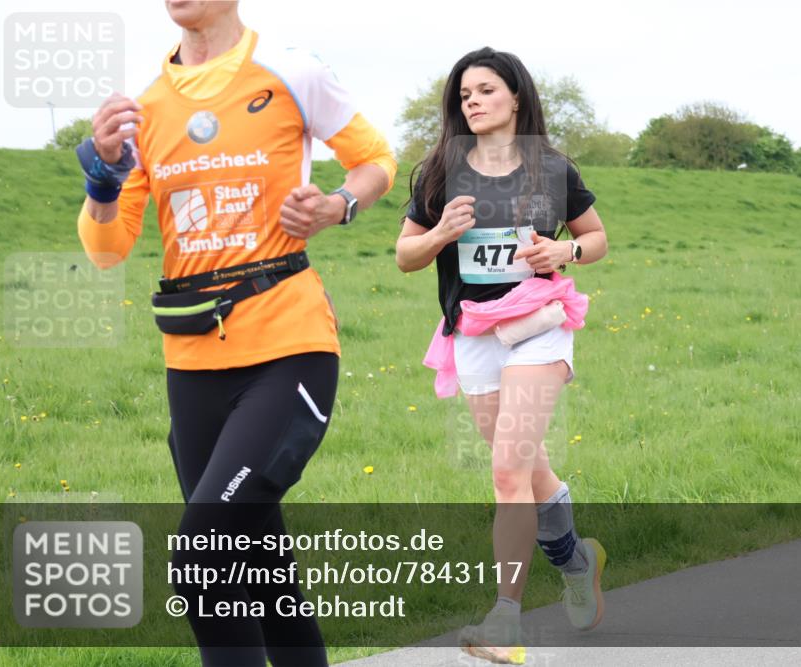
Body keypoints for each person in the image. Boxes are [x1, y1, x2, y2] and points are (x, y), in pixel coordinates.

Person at [75, 2, 396, 665]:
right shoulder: (144, 111)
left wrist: (338, 205)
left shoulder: (292, 72)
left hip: (288, 348)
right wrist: (103, 177)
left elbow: (376, 160)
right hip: (191, 366)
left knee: (202, 557)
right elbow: (108, 247)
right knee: (258, 561)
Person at [395, 47, 609, 664]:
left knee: (507, 472)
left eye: (486, 90)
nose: (473, 101)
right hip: (473, 331)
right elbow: (406, 256)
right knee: (524, 464)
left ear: (516, 96)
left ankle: (505, 621)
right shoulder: (439, 170)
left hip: (539, 325)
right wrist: (440, 234)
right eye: (464, 94)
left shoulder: (552, 169)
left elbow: (595, 238)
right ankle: (575, 558)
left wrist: (561, 254)